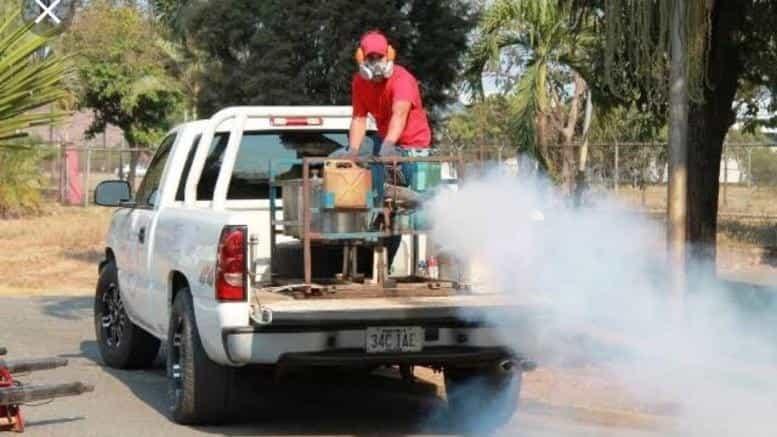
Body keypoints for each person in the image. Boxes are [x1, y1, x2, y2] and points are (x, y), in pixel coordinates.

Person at [344, 30, 433, 273]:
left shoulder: (403, 79)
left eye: (379, 57)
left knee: (409, 205)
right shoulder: (359, 83)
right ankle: (371, 216)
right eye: (370, 58)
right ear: (361, 58)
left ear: (389, 56)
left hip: (413, 147)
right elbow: (359, 119)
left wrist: (386, 147)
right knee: (340, 159)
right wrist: (352, 153)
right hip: (387, 142)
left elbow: (399, 114)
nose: (375, 63)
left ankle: (386, 209)